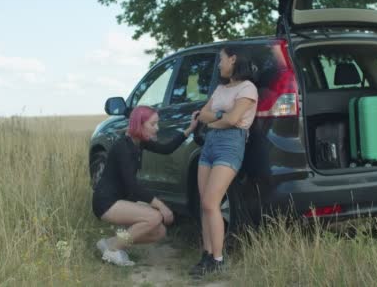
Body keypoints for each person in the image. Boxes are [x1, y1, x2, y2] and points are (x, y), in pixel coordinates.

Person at [92, 105, 199, 266]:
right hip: (106, 202)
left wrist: (190, 129)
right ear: (139, 125)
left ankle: (110, 243)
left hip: (119, 201)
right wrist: (161, 206)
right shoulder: (123, 146)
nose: (157, 128)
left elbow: (166, 148)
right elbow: (133, 187)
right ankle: (112, 251)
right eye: (153, 124)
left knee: (159, 232)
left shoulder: (139, 142)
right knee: (154, 217)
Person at [189, 45, 258, 277]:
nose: (219, 64)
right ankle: (207, 255)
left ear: (234, 59)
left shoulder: (248, 88)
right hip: (210, 144)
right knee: (204, 205)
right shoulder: (220, 88)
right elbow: (203, 115)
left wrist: (215, 119)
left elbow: (233, 119)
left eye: (221, 59)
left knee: (211, 203)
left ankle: (218, 260)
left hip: (230, 145)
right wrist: (218, 118)